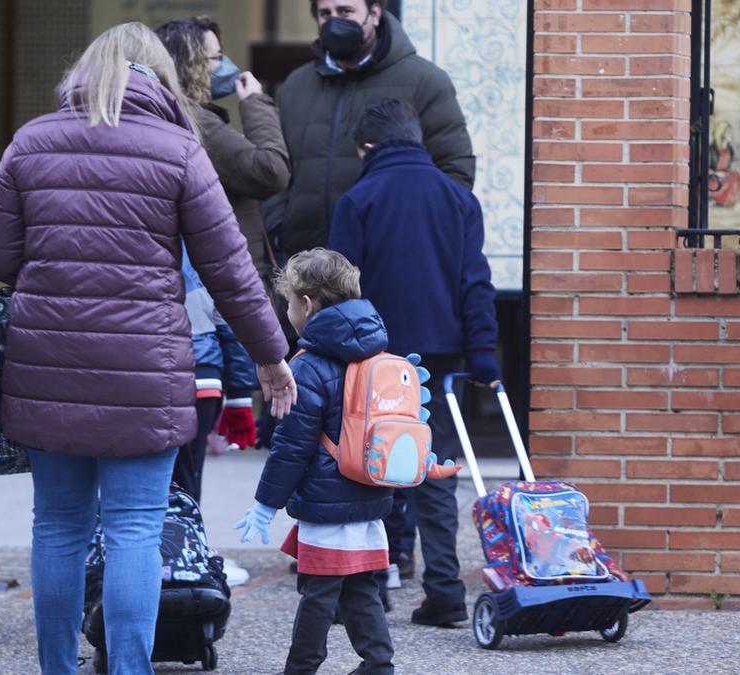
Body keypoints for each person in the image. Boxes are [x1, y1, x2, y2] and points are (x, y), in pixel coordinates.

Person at [0, 23, 295, 674]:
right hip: (145, 370)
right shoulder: (178, 149)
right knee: (133, 529)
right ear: (160, 78)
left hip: (47, 367)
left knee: (57, 527)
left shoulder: (30, 143)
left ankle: (57, 668)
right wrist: (270, 353)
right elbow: (229, 268)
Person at [328, 98, 499, 628]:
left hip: (374, 360)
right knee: (436, 470)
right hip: (442, 360)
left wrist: (333, 353)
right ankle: (445, 591)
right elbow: (475, 283)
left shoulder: (359, 199)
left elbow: (340, 291)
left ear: (369, 147)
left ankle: (369, 590)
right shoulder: (458, 200)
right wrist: (485, 354)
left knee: (369, 470)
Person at [237, 249, 395, 675]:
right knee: (362, 588)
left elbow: (292, 446)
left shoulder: (306, 366)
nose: (288, 311)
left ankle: (301, 669)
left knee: (318, 595)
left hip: (326, 504)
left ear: (306, 304)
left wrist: (265, 504)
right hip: (371, 494)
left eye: (288, 302)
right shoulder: (379, 353)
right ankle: (379, 664)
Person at [157, 16, 294, 459]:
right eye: (216, 58)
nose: (227, 67)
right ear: (191, 65)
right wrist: (255, 103)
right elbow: (270, 171)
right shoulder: (199, 124)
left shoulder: (178, 118)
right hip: (213, 287)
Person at [270, 0, 475, 261]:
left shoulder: (426, 82)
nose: (334, 22)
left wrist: (408, 235)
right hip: (307, 266)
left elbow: (456, 173)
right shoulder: (296, 86)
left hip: (389, 263)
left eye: (345, 11)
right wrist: (279, 227)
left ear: (375, 13)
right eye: (325, 14)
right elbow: (278, 169)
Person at [174, 245, 259, 502]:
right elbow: (231, 317)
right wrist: (239, 396)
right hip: (203, 373)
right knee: (187, 479)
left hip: (139, 374)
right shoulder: (200, 240)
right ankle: (187, 540)